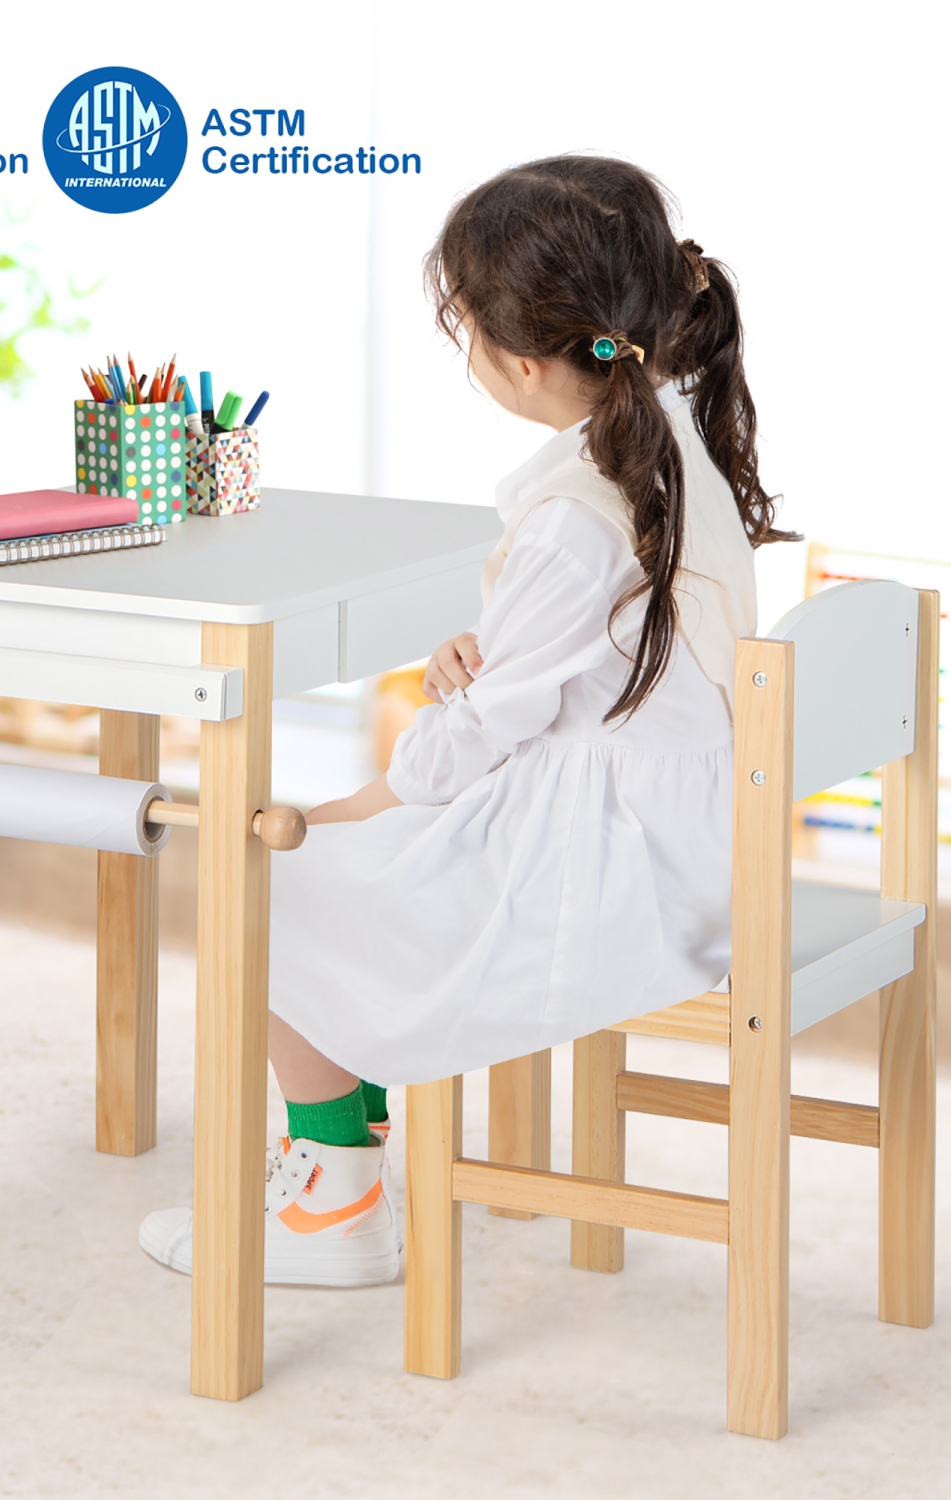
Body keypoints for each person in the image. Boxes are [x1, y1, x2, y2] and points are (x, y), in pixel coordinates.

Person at [141, 155, 794, 1287]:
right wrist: (495, 659)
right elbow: (580, 658)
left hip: (628, 874)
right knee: (341, 860)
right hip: (681, 836)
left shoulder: (576, 516)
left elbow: (481, 735)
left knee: (267, 877)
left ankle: (336, 1203)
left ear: (522, 362)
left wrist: (359, 804)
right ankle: (349, 1147)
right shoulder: (670, 445)